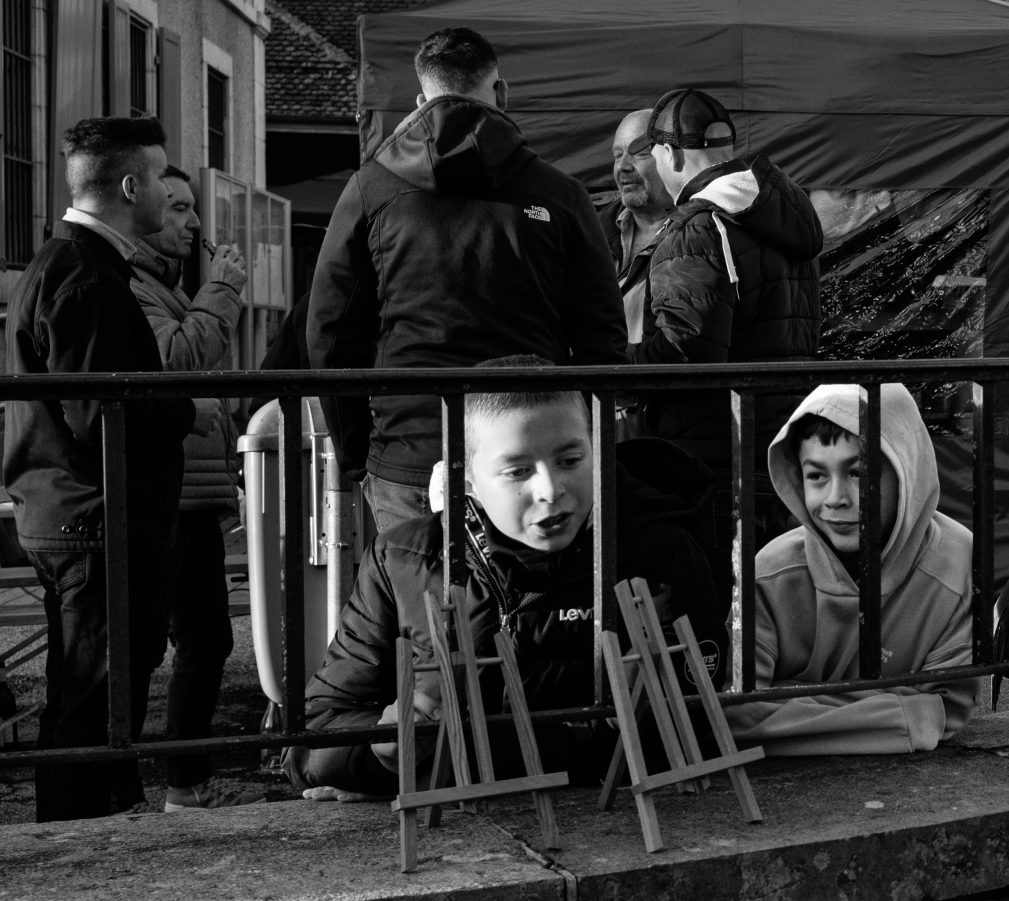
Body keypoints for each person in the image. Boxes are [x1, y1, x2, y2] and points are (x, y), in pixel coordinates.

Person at [282, 356, 727, 799]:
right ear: (466, 477)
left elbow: (684, 732)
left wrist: (448, 765)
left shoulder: (659, 553)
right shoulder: (403, 559)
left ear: (599, 451)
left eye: (571, 459)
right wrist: (381, 751)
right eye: (517, 471)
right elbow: (310, 741)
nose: (550, 490)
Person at [307, 27, 627, 534]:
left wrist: (357, 453)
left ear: (420, 101)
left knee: (417, 604)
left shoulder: (372, 188)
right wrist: (579, 449)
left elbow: (329, 330)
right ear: (501, 92)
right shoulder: (561, 193)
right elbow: (600, 337)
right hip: (529, 452)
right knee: (527, 607)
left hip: (408, 448)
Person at [2, 117, 201, 821]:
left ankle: (104, 819)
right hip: (93, 518)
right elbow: (103, 417)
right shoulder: (85, 277)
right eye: (160, 176)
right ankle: (77, 842)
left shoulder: (72, 266)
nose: (174, 194)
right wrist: (182, 409)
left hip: (74, 512)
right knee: (92, 699)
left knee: (95, 693)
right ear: (128, 185)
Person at [627, 88, 823, 602]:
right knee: (773, 614)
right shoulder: (784, 214)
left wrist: (609, 363)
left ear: (668, 153)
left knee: (718, 619)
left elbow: (686, 356)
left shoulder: (699, 225)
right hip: (780, 454)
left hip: (713, 463)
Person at [725, 383, 980, 755]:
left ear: (907, 470)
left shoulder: (958, 560)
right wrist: (905, 713)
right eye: (816, 476)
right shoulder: (769, 573)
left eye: (858, 473)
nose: (835, 499)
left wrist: (792, 697)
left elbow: (948, 709)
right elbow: (735, 713)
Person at [130, 166, 263, 811]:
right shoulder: (137, 289)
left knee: (208, 639)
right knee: (156, 645)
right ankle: (158, 784)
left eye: (193, 209)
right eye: (177, 207)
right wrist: (224, 292)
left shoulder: (169, 287)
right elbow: (175, 362)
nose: (192, 222)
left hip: (197, 491)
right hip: (169, 497)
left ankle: (185, 780)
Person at [597, 109, 673, 350]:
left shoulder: (698, 236)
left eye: (638, 152)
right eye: (617, 156)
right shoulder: (590, 231)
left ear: (670, 155)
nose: (623, 167)